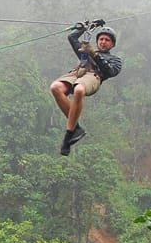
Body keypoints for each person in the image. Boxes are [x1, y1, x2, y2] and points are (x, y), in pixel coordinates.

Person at [50, 20, 122, 155]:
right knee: (55, 87)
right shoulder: (86, 51)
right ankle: (76, 128)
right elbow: (72, 38)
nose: (103, 42)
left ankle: (69, 134)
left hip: (93, 76)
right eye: (101, 39)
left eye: (107, 40)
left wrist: (94, 54)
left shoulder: (115, 60)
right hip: (78, 72)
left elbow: (110, 72)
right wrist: (84, 28)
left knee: (79, 89)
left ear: (112, 44)